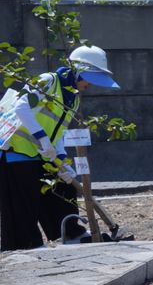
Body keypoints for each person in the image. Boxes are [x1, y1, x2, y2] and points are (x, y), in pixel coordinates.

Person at [0, 46, 119, 251]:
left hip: (42, 153)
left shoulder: (71, 97)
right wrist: (41, 138)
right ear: (77, 70)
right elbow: (21, 107)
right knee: (22, 201)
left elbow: (58, 131)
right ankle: (27, 244)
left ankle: (71, 233)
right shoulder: (48, 81)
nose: (89, 84)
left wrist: (62, 160)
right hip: (16, 151)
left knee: (62, 188)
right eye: (88, 78)